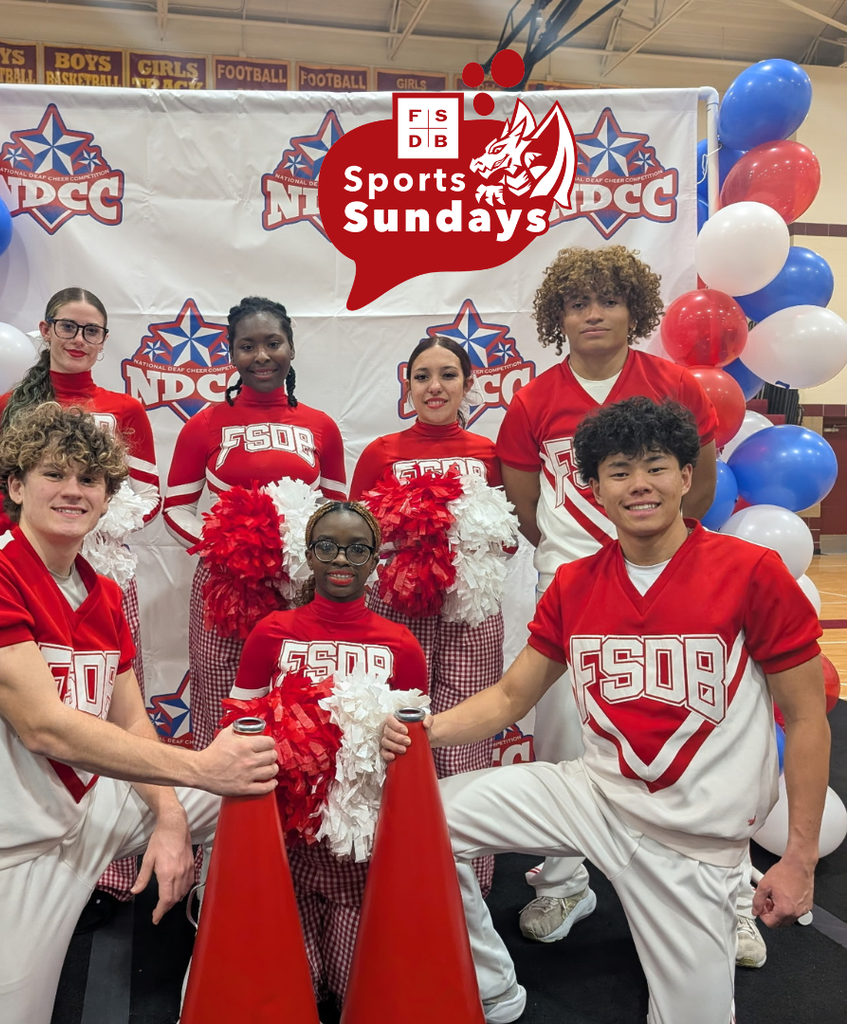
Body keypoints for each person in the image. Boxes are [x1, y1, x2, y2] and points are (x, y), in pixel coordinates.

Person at [0, 403, 278, 1024]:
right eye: (53, 474)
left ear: (106, 496)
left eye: (89, 479)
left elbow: (130, 722)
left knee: (257, 785)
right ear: (15, 485)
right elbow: (43, 725)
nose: (73, 490)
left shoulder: (102, 590)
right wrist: (200, 768)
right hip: (2, 845)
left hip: (89, 810)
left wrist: (172, 816)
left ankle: (234, 979)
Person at [384, 397, 828, 1024]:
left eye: (655, 466)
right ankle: (488, 985)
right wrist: (425, 732)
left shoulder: (751, 571)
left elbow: (808, 718)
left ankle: (727, 903)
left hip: (691, 840)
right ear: (591, 487)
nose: (639, 484)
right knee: (419, 820)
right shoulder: (574, 582)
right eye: (619, 471)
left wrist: (798, 858)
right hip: (593, 795)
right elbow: (513, 697)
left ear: (685, 476)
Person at [495, 245, 724, 948]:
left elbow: (702, 479)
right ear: (558, 316)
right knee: (565, 727)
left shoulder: (672, 383)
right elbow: (523, 500)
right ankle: (565, 884)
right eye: (576, 303)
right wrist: (574, 555)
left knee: (690, 724)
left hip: (669, 575)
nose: (593, 313)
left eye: (608, 300)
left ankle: (724, 890)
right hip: (574, 583)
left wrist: (667, 548)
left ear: (635, 309)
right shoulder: (534, 397)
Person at [0, 286, 162, 921]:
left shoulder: (126, 408)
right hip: (36, 571)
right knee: (47, 703)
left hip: (106, 569)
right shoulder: (12, 403)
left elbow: (151, 495)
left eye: (91, 331)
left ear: (105, 341)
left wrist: (100, 527)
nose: (79, 339)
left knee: (109, 702)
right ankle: (40, 843)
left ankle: (108, 858)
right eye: (68, 327)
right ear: (46, 329)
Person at [230, 500, 427, 1006]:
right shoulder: (272, 632)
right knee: (281, 971)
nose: (342, 559)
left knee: (355, 983)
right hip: (285, 829)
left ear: (375, 561)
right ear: (309, 555)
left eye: (358, 549)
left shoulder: (401, 645)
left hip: (356, 840)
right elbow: (240, 723)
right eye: (328, 547)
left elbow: (411, 751)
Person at [350, 335, 511, 894]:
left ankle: (468, 880)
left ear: (470, 385)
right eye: (422, 376)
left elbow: (510, 539)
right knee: (394, 727)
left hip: (471, 613)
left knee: (466, 731)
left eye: (447, 375)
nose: (434, 387)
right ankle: (392, 862)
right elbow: (355, 537)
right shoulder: (381, 452)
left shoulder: (489, 453)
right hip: (396, 612)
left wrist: (459, 544)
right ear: (407, 386)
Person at [165, 296, 347, 750]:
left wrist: (310, 556)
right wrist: (226, 546)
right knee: (222, 701)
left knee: (300, 703)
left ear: (291, 347)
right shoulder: (204, 425)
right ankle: (219, 814)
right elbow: (174, 509)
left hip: (300, 587)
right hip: (225, 588)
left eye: (273, 343)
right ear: (231, 353)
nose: (261, 356)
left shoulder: (321, 426)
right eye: (247, 346)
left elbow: (340, 511)